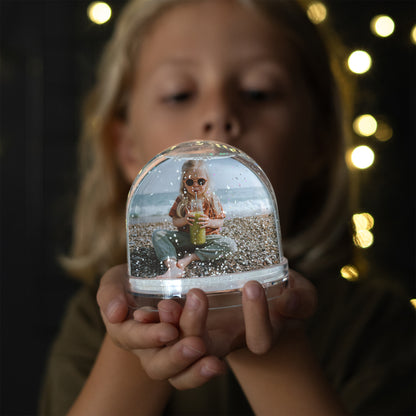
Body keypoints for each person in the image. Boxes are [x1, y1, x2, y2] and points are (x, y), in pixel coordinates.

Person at [39, 0, 415, 415]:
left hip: (212, 247)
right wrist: (138, 330)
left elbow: (219, 224)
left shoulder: (377, 325)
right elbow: (173, 223)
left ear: (318, 142)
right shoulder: (93, 324)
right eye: (179, 94)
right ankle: (175, 268)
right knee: (167, 240)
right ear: (127, 149)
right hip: (180, 252)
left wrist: (271, 341)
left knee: (229, 249)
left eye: (259, 92)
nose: (218, 114)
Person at [152, 159, 236, 278]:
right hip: (187, 238)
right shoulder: (181, 200)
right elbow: (175, 221)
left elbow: (220, 221)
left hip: (208, 238)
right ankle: (173, 267)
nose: (196, 186)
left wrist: (209, 222)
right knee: (158, 234)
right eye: (190, 182)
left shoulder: (212, 199)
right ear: (184, 182)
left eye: (201, 181)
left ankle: (191, 257)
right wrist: (185, 220)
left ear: (207, 181)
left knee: (230, 245)